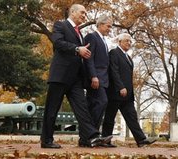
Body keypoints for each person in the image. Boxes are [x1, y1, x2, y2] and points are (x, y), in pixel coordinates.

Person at [40, 4, 112, 149]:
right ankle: (46, 140)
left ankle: (91, 137)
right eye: (82, 12)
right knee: (52, 109)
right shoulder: (60, 25)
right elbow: (58, 43)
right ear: (72, 12)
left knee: (82, 109)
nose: (84, 15)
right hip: (60, 75)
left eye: (85, 14)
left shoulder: (79, 32)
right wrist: (77, 49)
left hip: (75, 79)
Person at [102, 33, 157, 147]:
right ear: (120, 42)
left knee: (132, 117)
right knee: (110, 117)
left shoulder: (128, 57)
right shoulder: (114, 53)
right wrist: (120, 87)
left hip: (127, 95)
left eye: (130, 41)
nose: (129, 43)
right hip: (116, 92)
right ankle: (105, 141)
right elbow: (114, 71)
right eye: (126, 41)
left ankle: (141, 140)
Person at [84, 15, 115, 147]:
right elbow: (88, 58)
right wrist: (93, 76)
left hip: (103, 79)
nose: (110, 29)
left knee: (95, 107)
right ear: (100, 25)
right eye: (108, 26)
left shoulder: (103, 40)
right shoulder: (92, 37)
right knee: (102, 102)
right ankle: (91, 136)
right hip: (96, 79)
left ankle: (89, 138)